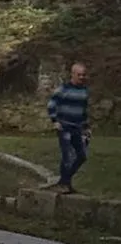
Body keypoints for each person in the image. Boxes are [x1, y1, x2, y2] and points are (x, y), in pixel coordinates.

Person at [47, 62, 90, 194]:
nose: (82, 77)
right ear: (72, 74)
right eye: (79, 75)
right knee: (68, 155)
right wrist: (55, 120)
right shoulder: (63, 89)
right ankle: (65, 184)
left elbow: (83, 111)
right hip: (64, 126)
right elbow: (51, 104)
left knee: (82, 156)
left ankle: (64, 181)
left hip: (77, 127)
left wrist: (86, 128)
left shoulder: (84, 91)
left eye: (83, 75)